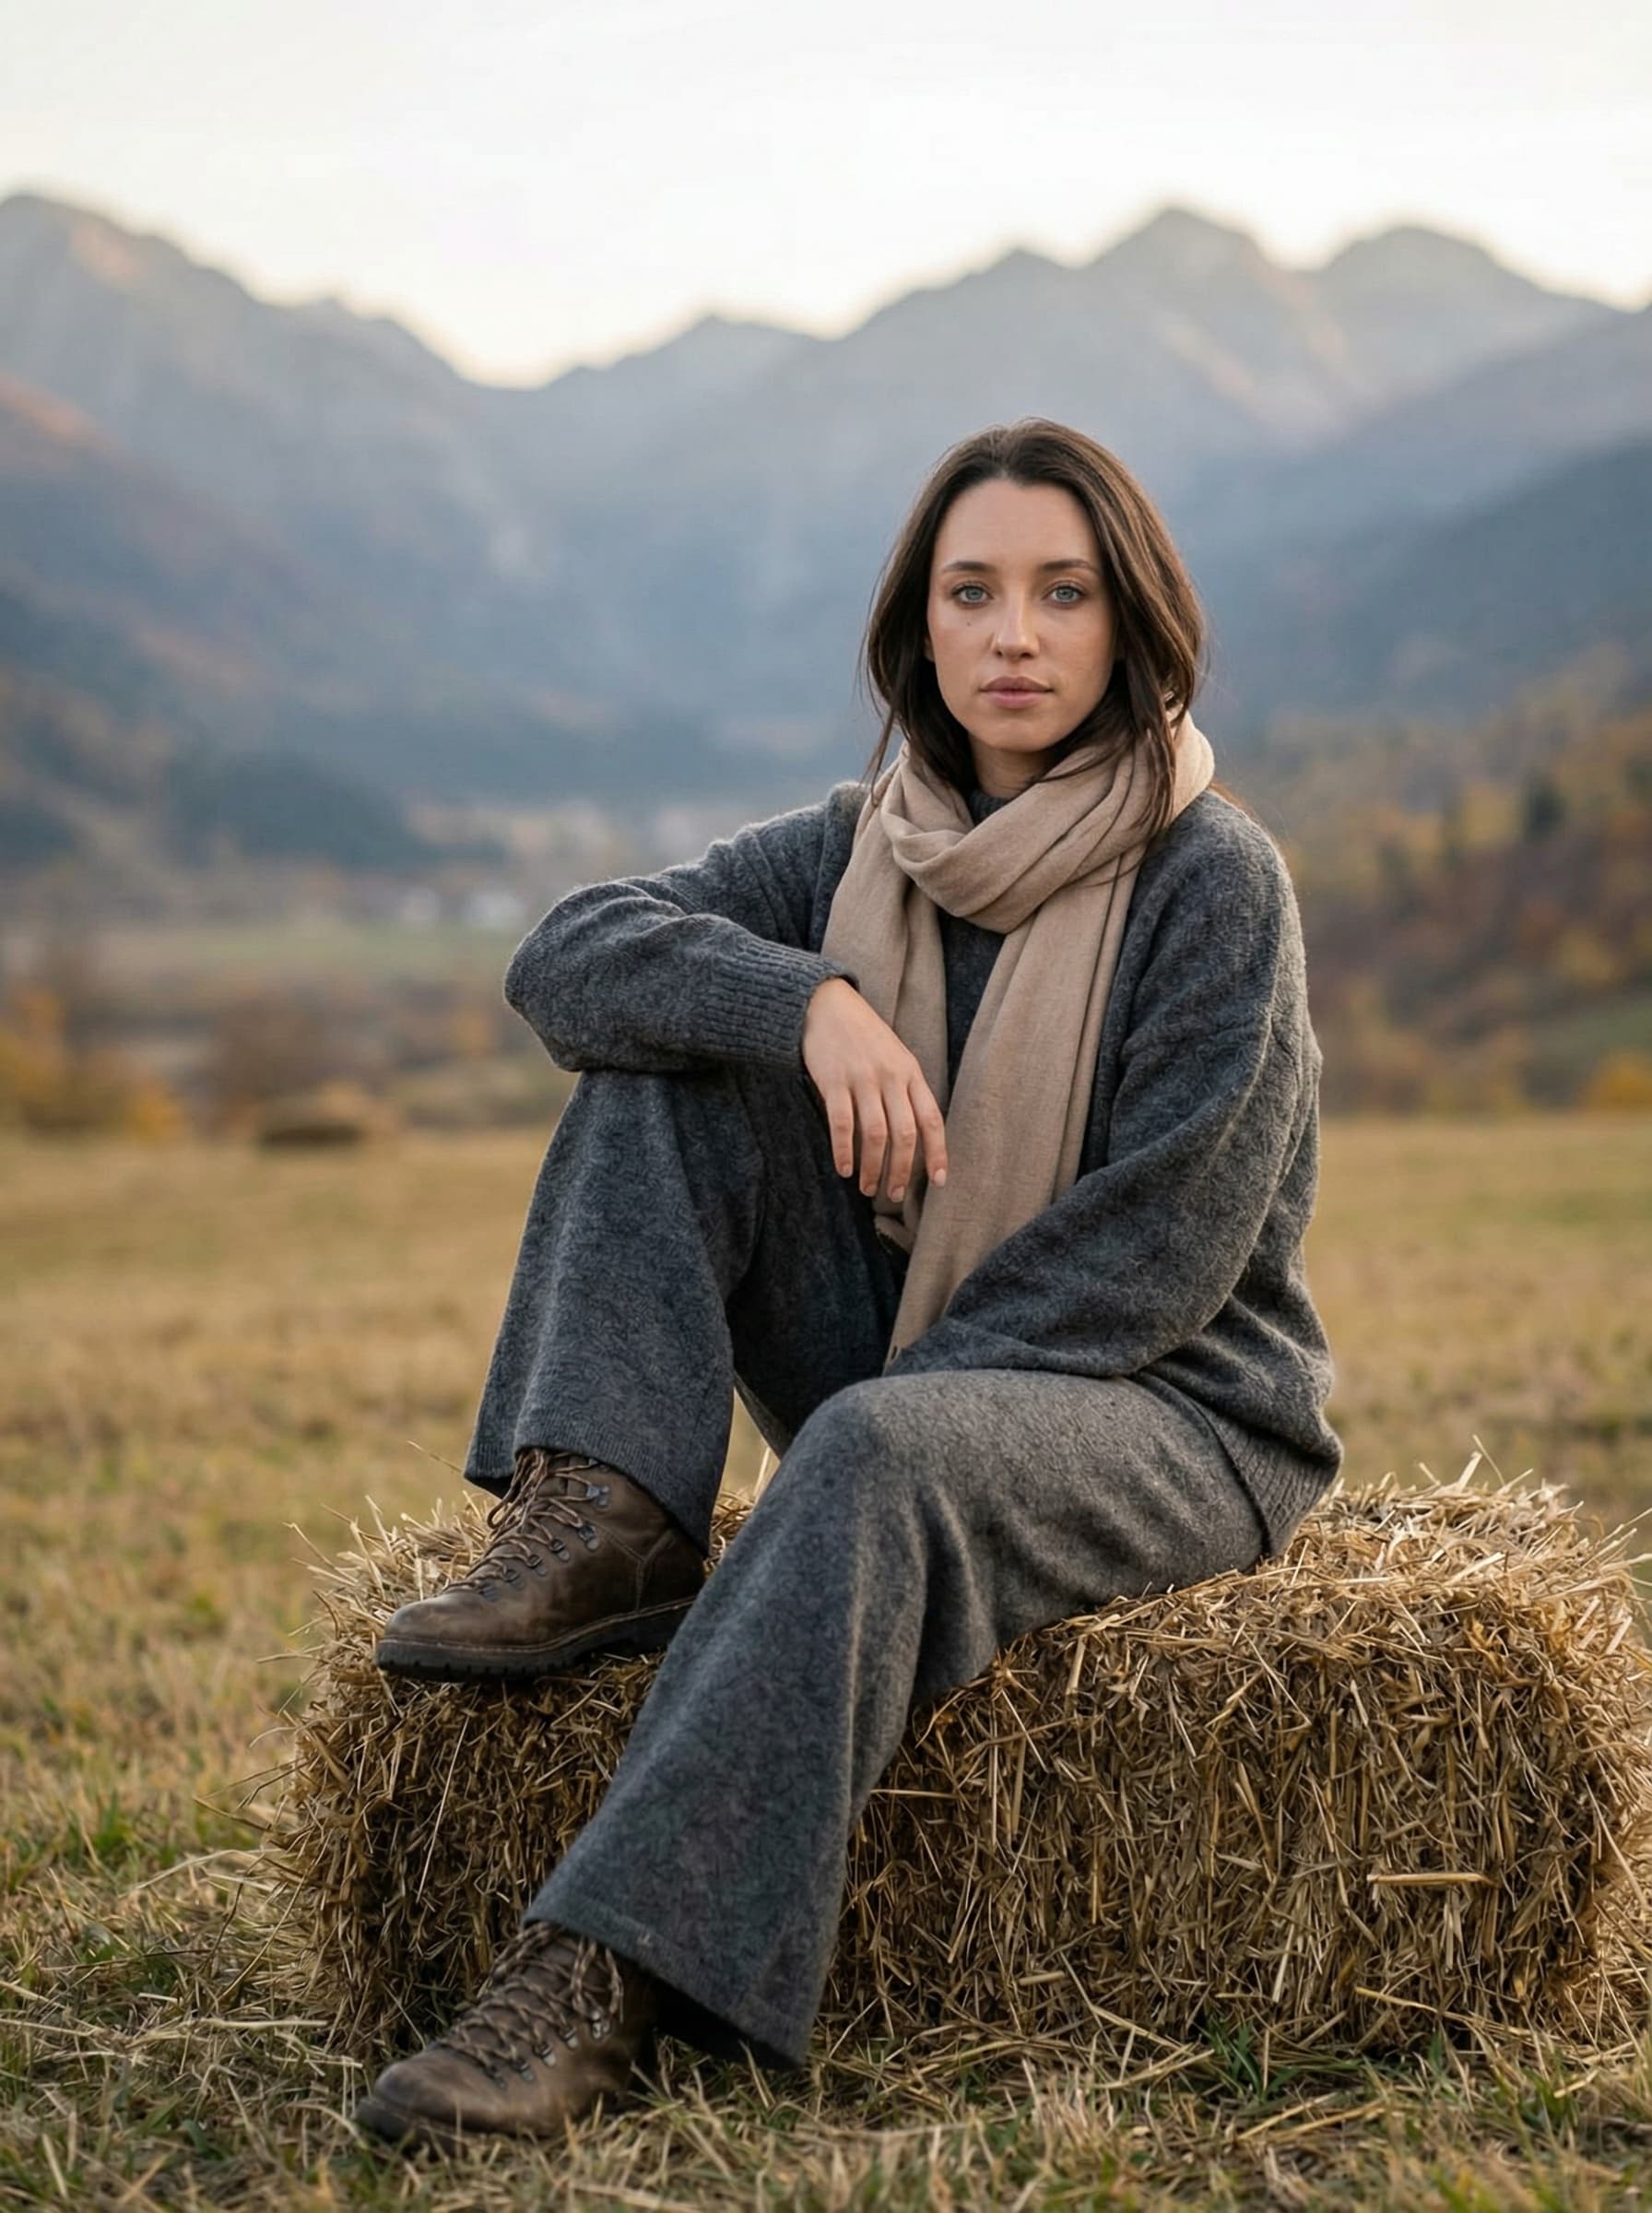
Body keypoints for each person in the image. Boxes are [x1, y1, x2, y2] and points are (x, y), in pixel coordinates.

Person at [353, 417, 1343, 2152]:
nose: (1015, 636)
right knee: (658, 1061)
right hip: (917, 1371)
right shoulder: (855, 847)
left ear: (1133, 627)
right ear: (921, 627)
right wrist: (799, 1004)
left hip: (1171, 1409)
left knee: (878, 1464)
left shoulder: (1215, 881)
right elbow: (564, 957)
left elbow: (1164, 1254)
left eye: (1064, 593)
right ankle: (605, 1518)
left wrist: (871, 1447)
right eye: (974, 592)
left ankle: (596, 1978)